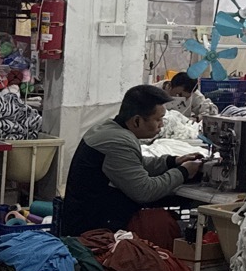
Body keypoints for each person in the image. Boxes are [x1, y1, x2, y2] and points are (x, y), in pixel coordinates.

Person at [59, 85, 205, 236]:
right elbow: (145, 191)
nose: (161, 124)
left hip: (94, 214)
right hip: (93, 229)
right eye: (158, 119)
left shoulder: (108, 128)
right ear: (137, 121)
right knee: (162, 224)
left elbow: (136, 164)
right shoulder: (118, 141)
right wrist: (183, 172)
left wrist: (173, 161)